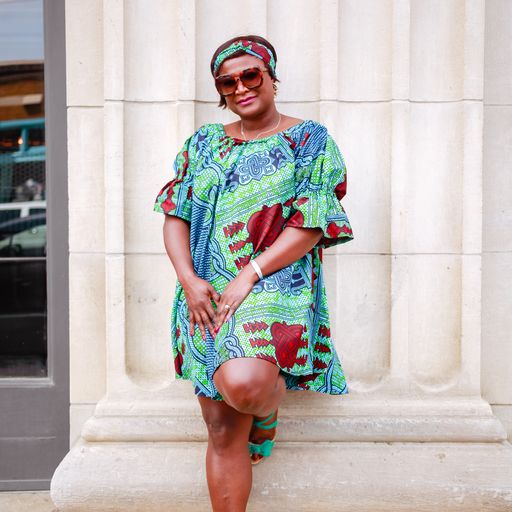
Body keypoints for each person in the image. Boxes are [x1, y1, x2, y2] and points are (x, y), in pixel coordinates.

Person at [153, 34, 354, 511]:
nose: (240, 87)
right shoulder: (203, 143)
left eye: (250, 75)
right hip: (205, 289)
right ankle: (255, 420)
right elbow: (176, 214)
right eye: (228, 82)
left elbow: (312, 222)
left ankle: (265, 407)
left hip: (274, 283)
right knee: (222, 428)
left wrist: (250, 273)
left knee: (245, 385)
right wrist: (188, 279)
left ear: (271, 77)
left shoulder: (309, 140)